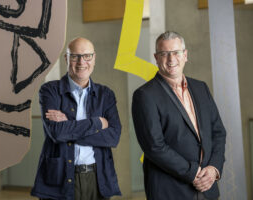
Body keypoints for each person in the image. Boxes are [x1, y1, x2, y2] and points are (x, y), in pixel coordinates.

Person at [132, 31, 226, 200]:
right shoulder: (145, 95)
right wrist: (192, 173)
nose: (171, 59)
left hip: (207, 189)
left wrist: (213, 169)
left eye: (176, 52)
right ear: (156, 57)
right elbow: (154, 146)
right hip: (170, 191)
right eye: (164, 54)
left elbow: (218, 132)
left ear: (185, 55)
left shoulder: (201, 88)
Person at [31, 37, 122, 200]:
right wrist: (98, 123)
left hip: (97, 178)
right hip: (59, 177)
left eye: (87, 56)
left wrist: (70, 128)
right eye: (75, 56)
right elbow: (57, 133)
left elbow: (113, 136)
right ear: (66, 58)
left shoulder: (105, 94)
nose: (81, 62)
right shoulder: (50, 91)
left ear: (94, 59)